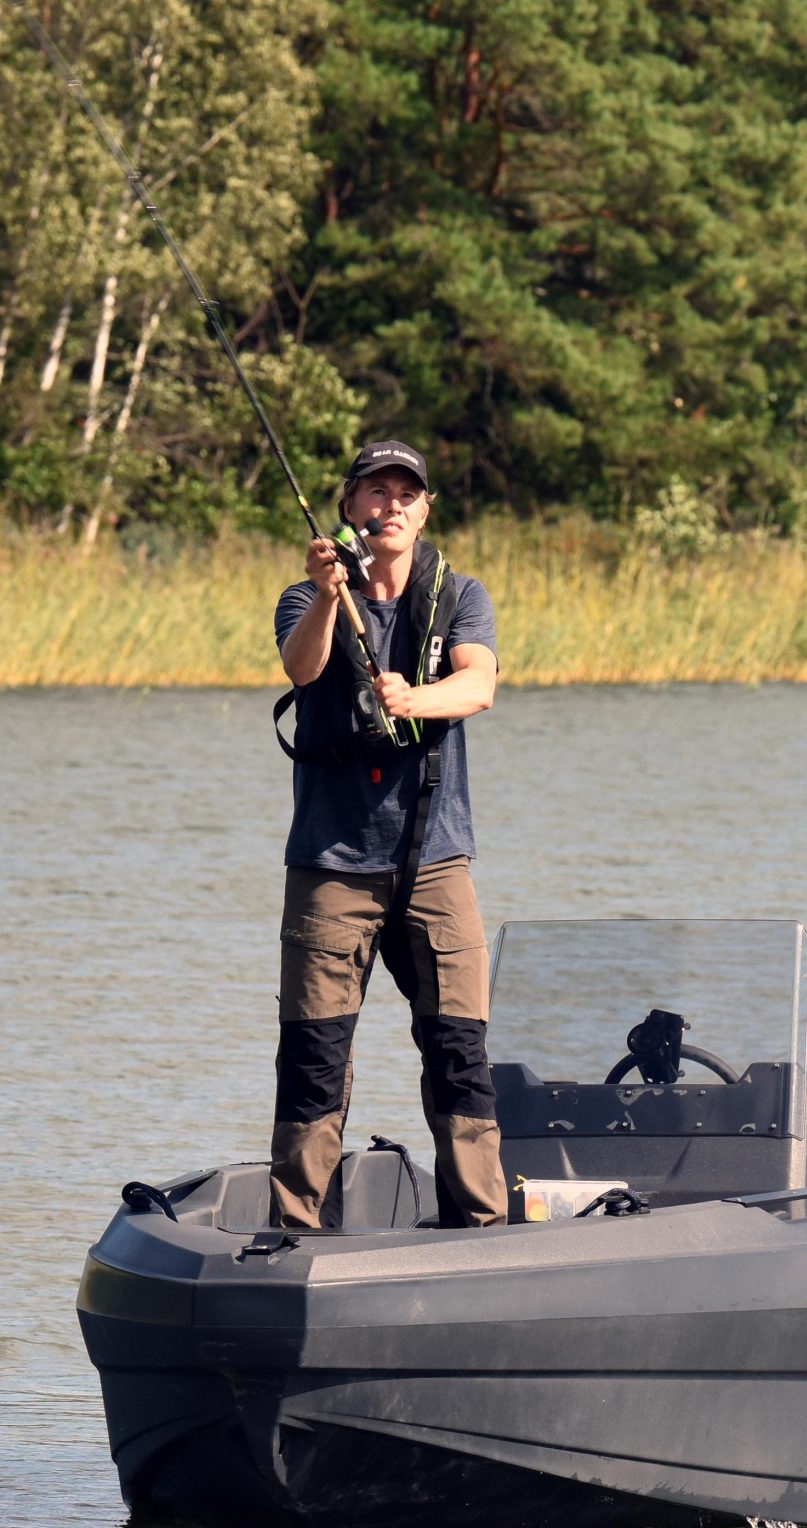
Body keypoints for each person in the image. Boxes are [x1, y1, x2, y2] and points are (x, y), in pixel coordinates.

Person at [268, 439, 505, 1230]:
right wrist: (328, 594)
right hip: (333, 865)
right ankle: (299, 1229)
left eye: (407, 493)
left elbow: (480, 684)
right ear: (349, 504)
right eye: (376, 492)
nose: (391, 506)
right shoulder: (304, 596)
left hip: (436, 862)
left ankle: (480, 1225)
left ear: (426, 509)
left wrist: (416, 697)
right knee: (314, 1056)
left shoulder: (461, 594)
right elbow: (302, 671)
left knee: (459, 1052)